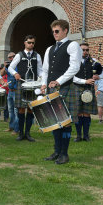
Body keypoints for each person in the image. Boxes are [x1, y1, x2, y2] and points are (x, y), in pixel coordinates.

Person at [40, 20, 82, 165]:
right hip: (51, 89)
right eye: (53, 32)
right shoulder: (49, 49)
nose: (54, 34)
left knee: (65, 123)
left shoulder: (73, 45)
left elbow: (75, 67)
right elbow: (45, 70)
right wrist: (44, 84)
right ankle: (57, 151)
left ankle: (64, 154)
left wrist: (59, 81)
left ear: (65, 30)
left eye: (57, 31)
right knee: (55, 122)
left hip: (66, 87)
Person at [8, 35, 43, 142]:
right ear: (25, 43)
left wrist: (40, 81)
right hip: (21, 84)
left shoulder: (37, 55)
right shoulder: (19, 55)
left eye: (33, 43)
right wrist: (15, 74)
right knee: (21, 109)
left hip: (33, 85)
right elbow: (10, 67)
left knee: (31, 109)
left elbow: (40, 70)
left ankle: (28, 133)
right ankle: (21, 133)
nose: (31, 44)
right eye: (29, 42)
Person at [72, 43, 102, 142]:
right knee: (78, 113)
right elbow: (71, 77)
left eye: (87, 50)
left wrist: (98, 77)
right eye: (83, 50)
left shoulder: (94, 61)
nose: (85, 52)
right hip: (77, 88)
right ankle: (78, 136)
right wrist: (85, 81)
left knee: (87, 113)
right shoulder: (73, 61)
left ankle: (86, 135)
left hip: (89, 89)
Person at [4, 53, 19, 135]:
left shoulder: (18, 65)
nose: (11, 58)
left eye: (13, 57)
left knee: (16, 111)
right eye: (9, 57)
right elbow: (2, 73)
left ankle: (16, 129)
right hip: (10, 91)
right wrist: (4, 66)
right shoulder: (8, 67)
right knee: (10, 111)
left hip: (16, 91)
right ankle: (11, 127)